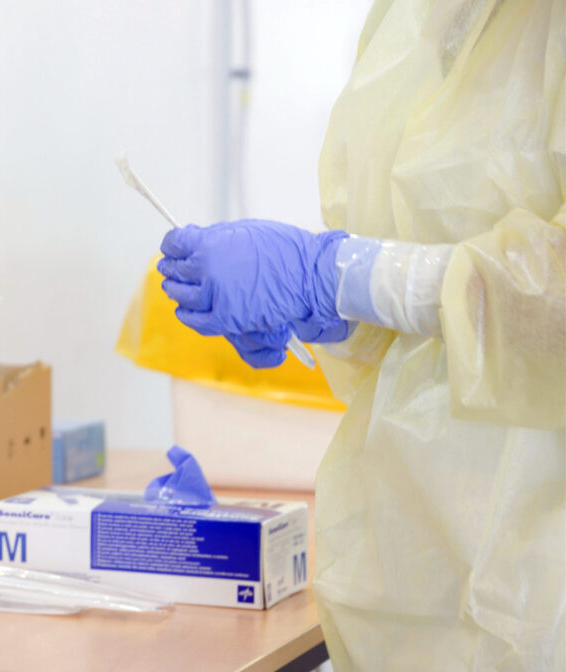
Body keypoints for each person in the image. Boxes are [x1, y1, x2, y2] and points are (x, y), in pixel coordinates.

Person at [157, 1, 564, 670]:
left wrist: (332, 273)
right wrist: (326, 314)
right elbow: (419, 291)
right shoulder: (414, 17)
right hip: (408, 572)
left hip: (541, 589)